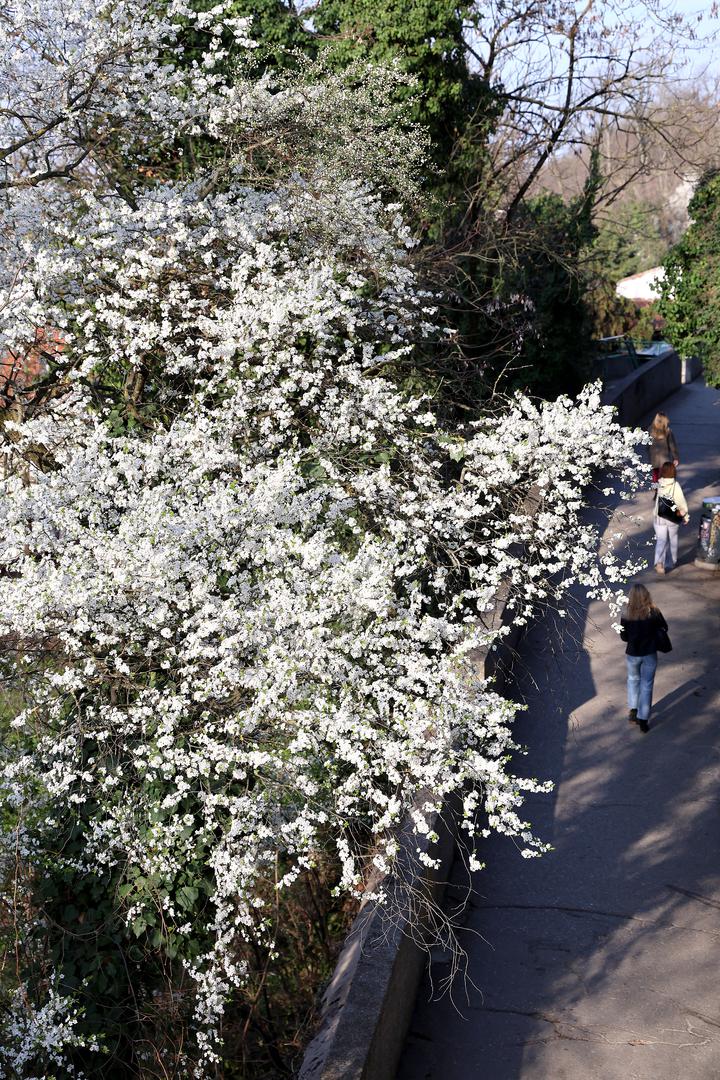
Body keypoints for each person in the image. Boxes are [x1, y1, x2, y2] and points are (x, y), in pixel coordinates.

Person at [620, 584, 668, 733]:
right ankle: (643, 719)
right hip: (649, 653)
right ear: (647, 595)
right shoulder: (653, 612)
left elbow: (623, 636)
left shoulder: (626, 613)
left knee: (633, 680)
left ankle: (633, 710)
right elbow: (664, 628)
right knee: (647, 686)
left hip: (633, 653)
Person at [654, 461, 689, 574]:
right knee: (673, 538)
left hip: (659, 516)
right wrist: (686, 516)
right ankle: (671, 561)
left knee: (661, 540)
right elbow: (681, 502)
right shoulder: (675, 485)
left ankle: (659, 563)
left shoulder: (658, 483)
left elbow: (651, 487)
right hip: (672, 517)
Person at [648, 412, 679, 484]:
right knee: (664, 476)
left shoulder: (650, 430)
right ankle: (663, 491)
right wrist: (675, 458)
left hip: (653, 458)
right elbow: (672, 446)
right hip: (665, 459)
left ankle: (656, 491)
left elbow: (647, 445)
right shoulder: (667, 431)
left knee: (655, 476)